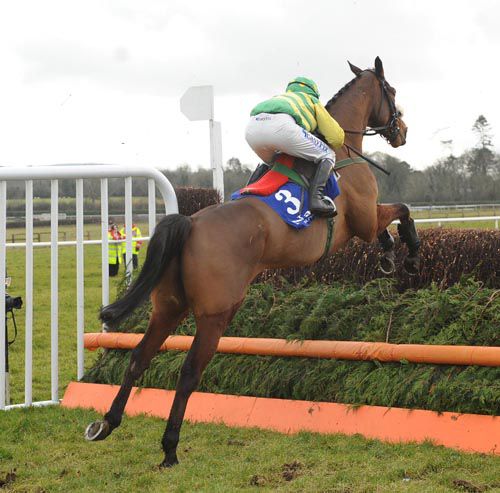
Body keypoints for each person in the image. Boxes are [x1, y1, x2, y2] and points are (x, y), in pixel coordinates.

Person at [245, 77, 345, 217]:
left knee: (271, 162)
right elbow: (336, 138)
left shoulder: (280, 97)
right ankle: (316, 200)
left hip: (252, 128)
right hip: (282, 127)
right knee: (328, 154)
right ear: (313, 92)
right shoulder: (312, 100)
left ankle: (247, 192)